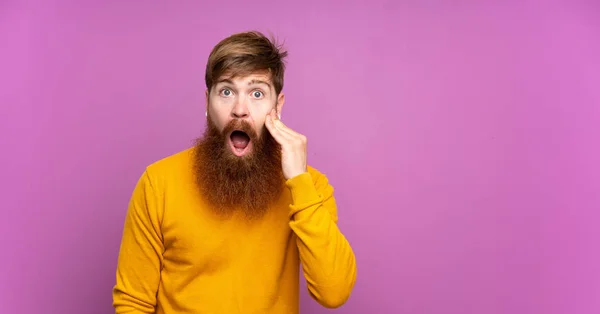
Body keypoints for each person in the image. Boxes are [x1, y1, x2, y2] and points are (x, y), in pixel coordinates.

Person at [112, 30, 357, 314]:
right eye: (226, 91)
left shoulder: (309, 186)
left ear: (277, 107)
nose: (240, 109)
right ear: (207, 102)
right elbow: (132, 303)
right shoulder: (158, 183)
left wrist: (299, 182)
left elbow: (334, 292)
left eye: (257, 93)